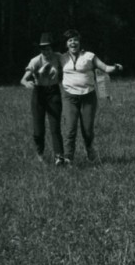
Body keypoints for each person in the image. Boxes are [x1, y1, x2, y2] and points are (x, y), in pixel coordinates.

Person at [60, 29, 123, 165]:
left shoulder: (89, 56)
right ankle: (68, 158)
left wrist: (116, 67)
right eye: (70, 40)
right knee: (70, 129)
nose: (73, 42)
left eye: (75, 39)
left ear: (79, 41)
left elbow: (105, 68)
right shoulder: (62, 58)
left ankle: (90, 153)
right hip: (69, 97)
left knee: (87, 130)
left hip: (88, 97)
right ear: (66, 44)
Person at [20, 33, 64, 165]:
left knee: (55, 127)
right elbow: (23, 79)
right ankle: (40, 154)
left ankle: (59, 156)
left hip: (54, 92)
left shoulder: (58, 57)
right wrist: (27, 83)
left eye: (48, 48)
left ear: (52, 48)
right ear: (40, 49)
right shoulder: (36, 61)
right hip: (39, 93)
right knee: (38, 129)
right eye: (43, 49)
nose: (46, 51)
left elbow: (72, 59)